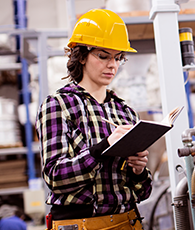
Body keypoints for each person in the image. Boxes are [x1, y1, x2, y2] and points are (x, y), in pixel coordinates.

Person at [35, 9, 152, 230]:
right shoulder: (58, 105)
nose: (112, 65)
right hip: (79, 223)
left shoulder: (125, 112)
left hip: (127, 221)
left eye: (118, 58)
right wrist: (103, 148)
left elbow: (143, 192)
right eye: (103, 55)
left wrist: (139, 172)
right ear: (80, 56)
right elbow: (54, 177)